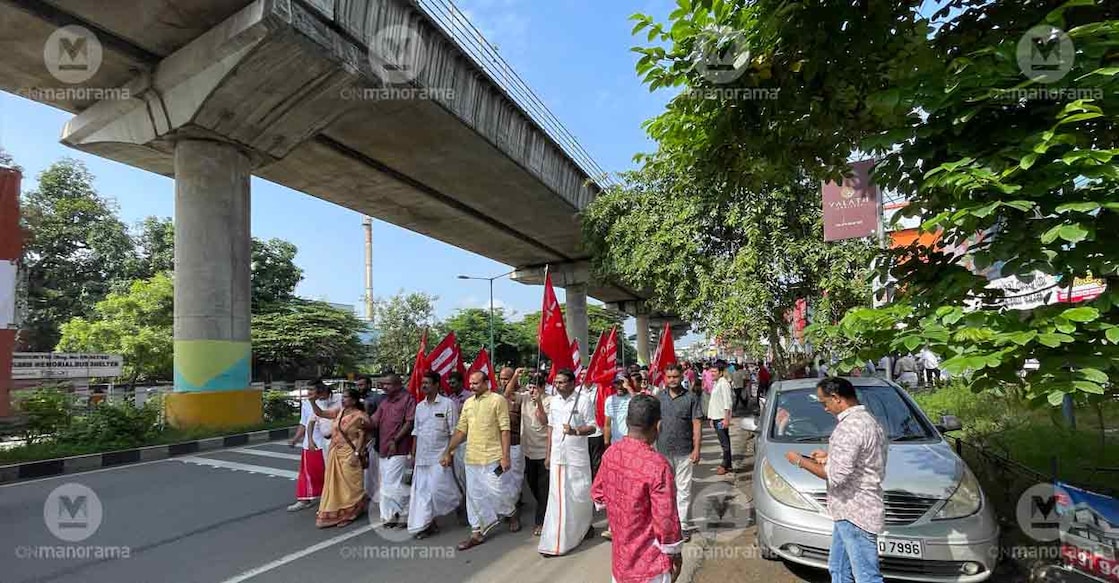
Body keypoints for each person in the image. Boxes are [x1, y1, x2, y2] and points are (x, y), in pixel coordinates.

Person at [786, 377, 886, 583]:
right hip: (847, 511)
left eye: (824, 403)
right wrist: (829, 458)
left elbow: (836, 476)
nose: (824, 408)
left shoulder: (849, 428)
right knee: (838, 568)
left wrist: (799, 462)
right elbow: (861, 460)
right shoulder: (867, 420)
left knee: (866, 576)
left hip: (856, 513)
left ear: (836, 398)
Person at [593, 395, 683, 583]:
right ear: (658, 425)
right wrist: (675, 553)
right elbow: (666, 519)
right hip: (649, 564)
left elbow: (598, 493)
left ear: (626, 421)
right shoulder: (657, 465)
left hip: (620, 561)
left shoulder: (611, 453)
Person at [440, 371, 514, 550]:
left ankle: (511, 513)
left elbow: (505, 429)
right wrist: (448, 451)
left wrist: (505, 456)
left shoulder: (498, 400)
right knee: (474, 496)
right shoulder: (468, 403)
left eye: (476, 383)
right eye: (471, 384)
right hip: (472, 458)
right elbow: (460, 430)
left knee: (498, 491)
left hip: (493, 457)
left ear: (487, 383)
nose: (472, 387)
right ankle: (476, 532)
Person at [539, 369, 597, 556]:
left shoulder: (584, 400)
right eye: (556, 382)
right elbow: (550, 428)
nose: (558, 385)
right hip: (557, 456)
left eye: (562, 382)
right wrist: (548, 454)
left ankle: (584, 527)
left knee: (579, 495)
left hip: (577, 456)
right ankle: (555, 541)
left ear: (573, 383)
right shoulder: (554, 401)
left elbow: (592, 426)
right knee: (557, 499)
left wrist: (576, 431)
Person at [407, 372, 461, 539]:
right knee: (422, 493)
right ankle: (427, 524)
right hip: (422, 457)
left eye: (427, 383)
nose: (424, 386)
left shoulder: (447, 404)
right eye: (422, 383)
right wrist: (413, 454)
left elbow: (454, 431)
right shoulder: (419, 407)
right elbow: (416, 431)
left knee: (439, 490)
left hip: (440, 456)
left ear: (437, 384)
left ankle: (461, 506)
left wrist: (449, 454)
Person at [309, 388, 370, 528]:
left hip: (351, 452)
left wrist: (356, 454)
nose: (343, 399)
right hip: (335, 451)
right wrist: (312, 402)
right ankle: (338, 511)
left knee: (350, 485)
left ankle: (351, 512)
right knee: (336, 484)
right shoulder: (339, 411)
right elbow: (320, 413)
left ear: (354, 400)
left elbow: (363, 435)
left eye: (346, 397)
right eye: (342, 397)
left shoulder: (360, 416)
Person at [657, 364, 703, 541]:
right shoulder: (659, 397)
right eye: (669, 377)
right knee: (665, 490)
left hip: (685, 451)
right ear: (664, 377)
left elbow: (697, 424)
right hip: (662, 450)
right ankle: (667, 523)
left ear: (681, 376)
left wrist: (697, 448)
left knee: (683, 489)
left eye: (675, 377)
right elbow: (656, 424)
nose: (672, 380)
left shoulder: (691, 398)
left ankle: (683, 525)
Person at [368, 374, 416, 529]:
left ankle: (406, 510)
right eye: (382, 384)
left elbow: (409, 423)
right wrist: (361, 419)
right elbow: (374, 421)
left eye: (387, 384)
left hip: (399, 448)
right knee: (385, 484)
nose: (384, 387)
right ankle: (389, 516)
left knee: (392, 484)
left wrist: (395, 440)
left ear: (397, 384)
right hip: (382, 448)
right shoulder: (384, 402)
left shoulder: (408, 399)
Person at [288, 381, 339, 511]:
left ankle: (330, 498)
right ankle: (304, 499)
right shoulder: (306, 404)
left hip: (331, 443)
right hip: (312, 445)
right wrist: (295, 439)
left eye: (312, 389)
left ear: (320, 390)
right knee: (307, 473)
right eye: (308, 389)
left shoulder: (334, 401)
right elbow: (304, 423)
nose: (309, 392)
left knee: (329, 473)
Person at [599, 373, 633, 541]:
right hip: (616, 448)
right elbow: (607, 424)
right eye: (616, 383)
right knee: (615, 488)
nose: (619, 386)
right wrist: (607, 445)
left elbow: (641, 405)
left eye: (622, 383)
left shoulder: (634, 398)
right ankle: (613, 526)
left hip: (633, 449)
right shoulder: (609, 401)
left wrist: (630, 388)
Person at [519, 373, 552, 536]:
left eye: (535, 387)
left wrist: (538, 401)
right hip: (528, 451)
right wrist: (515, 376)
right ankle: (547, 508)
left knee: (543, 488)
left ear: (542, 387)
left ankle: (541, 521)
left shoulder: (549, 400)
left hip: (543, 451)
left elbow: (544, 421)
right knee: (532, 484)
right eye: (529, 387)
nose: (531, 391)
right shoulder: (524, 398)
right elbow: (507, 395)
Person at [499, 366, 527, 525]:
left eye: (507, 379)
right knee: (500, 480)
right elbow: (503, 396)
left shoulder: (523, 395)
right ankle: (507, 509)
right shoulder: (495, 395)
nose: (503, 382)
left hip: (517, 445)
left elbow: (508, 395)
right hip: (499, 447)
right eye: (501, 378)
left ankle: (512, 513)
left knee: (515, 480)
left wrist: (516, 376)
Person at [445, 370, 470, 523]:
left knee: (467, 478)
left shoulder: (469, 398)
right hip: (453, 442)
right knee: (457, 478)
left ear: (461, 382)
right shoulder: (448, 400)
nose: (451, 385)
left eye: (453, 383)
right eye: (449, 383)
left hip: (467, 442)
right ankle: (462, 504)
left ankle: (469, 508)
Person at [708, 361, 734, 476]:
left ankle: (725, 464)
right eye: (711, 371)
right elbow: (714, 402)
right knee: (724, 441)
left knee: (724, 442)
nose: (712, 373)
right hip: (716, 417)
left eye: (714, 371)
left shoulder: (723, 383)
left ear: (721, 372)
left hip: (721, 418)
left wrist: (726, 419)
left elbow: (727, 403)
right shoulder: (717, 383)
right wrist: (711, 418)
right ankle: (728, 463)